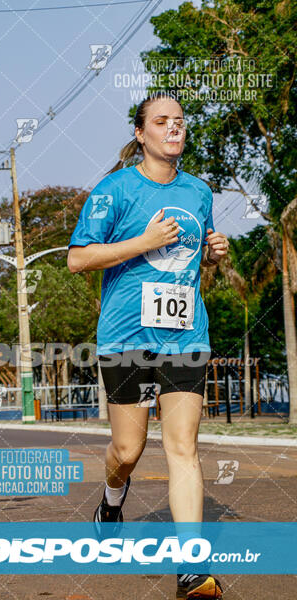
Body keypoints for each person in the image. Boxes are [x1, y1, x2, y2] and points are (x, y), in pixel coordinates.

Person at [67, 92, 229, 600]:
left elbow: (186, 260)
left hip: (184, 335)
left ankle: (190, 569)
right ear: (141, 134)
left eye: (179, 121)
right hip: (126, 339)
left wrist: (213, 254)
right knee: (128, 451)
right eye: (162, 121)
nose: (173, 128)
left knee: (183, 447)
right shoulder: (114, 190)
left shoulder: (200, 192)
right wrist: (143, 241)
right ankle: (112, 502)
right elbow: (77, 260)